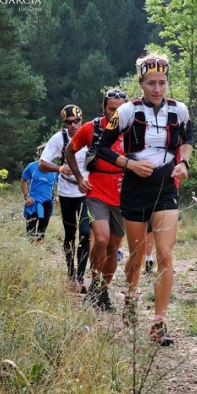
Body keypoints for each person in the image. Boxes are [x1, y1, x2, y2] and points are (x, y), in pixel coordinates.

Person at [96, 53, 194, 346]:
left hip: (165, 184)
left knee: (164, 253)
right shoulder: (127, 111)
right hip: (135, 185)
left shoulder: (179, 111)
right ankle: (131, 295)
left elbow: (188, 140)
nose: (157, 89)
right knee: (137, 256)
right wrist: (129, 164)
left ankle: (159, 323)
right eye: (151, 83)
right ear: (141, 83)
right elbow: (101, 148)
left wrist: (184, 163)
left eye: (162, 83)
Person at [65, 89, 128, 311]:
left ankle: (101, 291)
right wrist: (80, 177)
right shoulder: (91, 128)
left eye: (120, 109)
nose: (116, 114)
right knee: (101, 239)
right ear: (103, 108)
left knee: (114, 246)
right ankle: (95, 283)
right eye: (112, 109)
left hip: (122, 194)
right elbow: (69, 151)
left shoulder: (132, 129)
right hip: (96, 191)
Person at [39, 104, 91, 292]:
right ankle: (70, 272)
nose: (73, 125)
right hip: (67, 191)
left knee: (86, 232)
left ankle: (80, 276)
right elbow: (42, 164)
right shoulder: (59, 139)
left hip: (87, 190)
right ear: (65, 123)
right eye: (69, 122)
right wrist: (59, 168)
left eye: (76, 121)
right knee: (70, 233)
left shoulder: (90, 134)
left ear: (81, 120)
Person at [20, 144, 58, 243]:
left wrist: (57, 196)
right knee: (30, 232)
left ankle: (37, 252)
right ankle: (30, 253)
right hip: (33, 203)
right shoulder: (32, 166)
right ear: (40, 153)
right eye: (44, 152)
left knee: (41, 232)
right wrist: (26, 197)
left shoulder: (55, 169)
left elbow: (60, 183)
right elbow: (23, 181)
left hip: (46, 203)